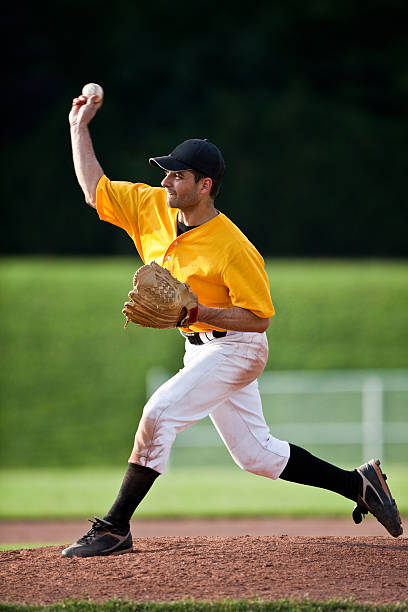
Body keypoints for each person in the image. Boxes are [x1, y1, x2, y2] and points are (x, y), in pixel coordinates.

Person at [62, 91, 402, 558]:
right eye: (167, 172)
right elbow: (93, 189)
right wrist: (78, 127)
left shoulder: (233, 246)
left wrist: (197, 312)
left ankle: (115, 526)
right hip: (198, 348)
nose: (166, 181)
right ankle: (359, 484)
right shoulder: (151, 208)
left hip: (238, 346)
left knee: (158, 414)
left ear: (204, 186)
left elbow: (259, 318)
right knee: (256, 456)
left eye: (177, 175)